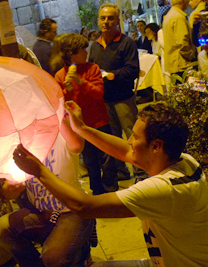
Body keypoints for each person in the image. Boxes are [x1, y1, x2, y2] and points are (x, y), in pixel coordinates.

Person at [13, 101, 208, 267]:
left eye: (136, 137)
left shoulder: (165, 189)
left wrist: (39, 171)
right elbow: (125, 151)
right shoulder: (185, 161)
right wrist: (81, 128)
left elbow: (85, 206)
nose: (129, 141)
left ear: (156, 146)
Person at [0, 104, 94, 267]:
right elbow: (9, 191)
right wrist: (10, 189)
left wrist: (55, 111)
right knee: (2, 228)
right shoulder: (20, 145)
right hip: (41, 213)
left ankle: (80, 251)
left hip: (72, 211)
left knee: (53, 258)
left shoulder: (59, 135)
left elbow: (76, 145)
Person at [54, 33, 118, 195]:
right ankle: (97, 191)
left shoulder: (93, 68)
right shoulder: (61, 75)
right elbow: (57, 102)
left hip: (100, 121)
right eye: (82, 50)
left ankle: (111, 189)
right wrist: (64, 90)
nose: (86, 52)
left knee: (108, 156)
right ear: (71, 54)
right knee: (90, 161)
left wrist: (80, 81)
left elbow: (98, 93)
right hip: (80, 126)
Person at [88, 3, 146, 181]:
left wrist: (113, 75)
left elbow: (133, 70)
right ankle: (122, 171)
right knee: (113, 138)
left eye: (110, 18)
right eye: (102, 18)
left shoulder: (126, 42)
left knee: (132, 135)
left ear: (117, 21)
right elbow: (91, 67)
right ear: (98, 21)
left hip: (123, 99)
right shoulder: (95, 45)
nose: (106, 22)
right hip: (104, 100)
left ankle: (141, 174)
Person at [162, 0, 196, 77]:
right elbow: (182, 42)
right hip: (180, 63)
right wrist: (191, 55)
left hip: (173, 63)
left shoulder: (169, 15)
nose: (189, 3)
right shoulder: (179, 16)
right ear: (182, 1)